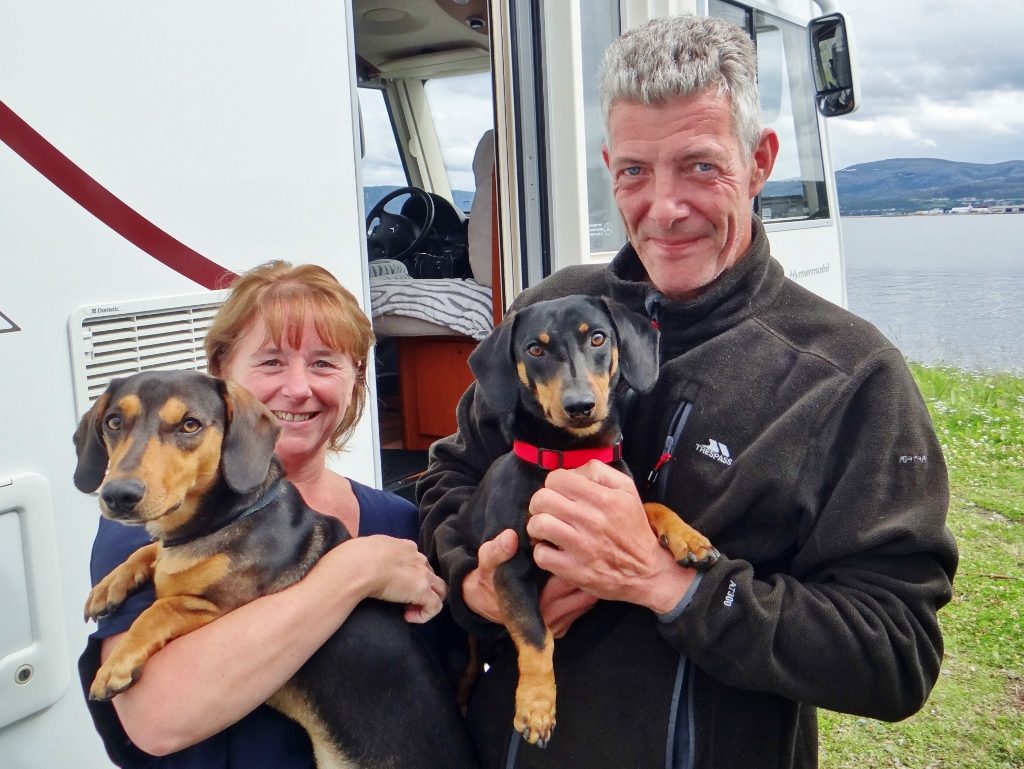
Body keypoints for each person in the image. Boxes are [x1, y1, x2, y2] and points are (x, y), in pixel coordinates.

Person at [418, 15, 958, 769]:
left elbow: (895, 652)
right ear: (609, 166)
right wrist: (471, 582)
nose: (664, 208)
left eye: (700, 167)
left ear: (760, 160)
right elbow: (449, 480)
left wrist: (667, 583)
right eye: (635, 171)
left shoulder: (849, 375)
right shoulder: (550, 312)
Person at [80, 261, 447, 768]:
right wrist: (355, 573)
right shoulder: (156, 524)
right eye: (271, 362)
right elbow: (156, 721)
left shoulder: (401, 522)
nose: (297, 388)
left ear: (356, 380)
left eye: (324, 363)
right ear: (221, 374)